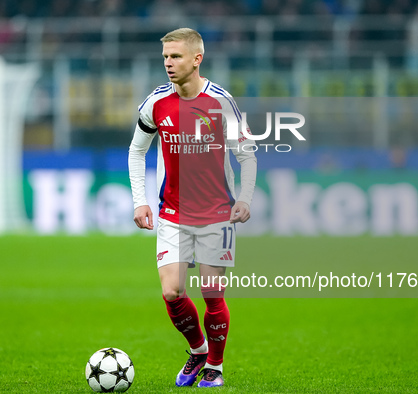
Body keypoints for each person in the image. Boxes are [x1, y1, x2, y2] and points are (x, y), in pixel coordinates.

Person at [128, 27, 257, 388]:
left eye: (176, 56)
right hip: (173, 213)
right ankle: (198, 350)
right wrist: (140, 201)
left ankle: (215, 365)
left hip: (216, 214)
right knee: (171, 292)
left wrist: (244, 197)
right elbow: (136, 150)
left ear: (197, 59)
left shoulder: (221, 102)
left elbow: (246, 154)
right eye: (166, 56)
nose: (168, 63)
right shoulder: (156, 103)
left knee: (212, 292)